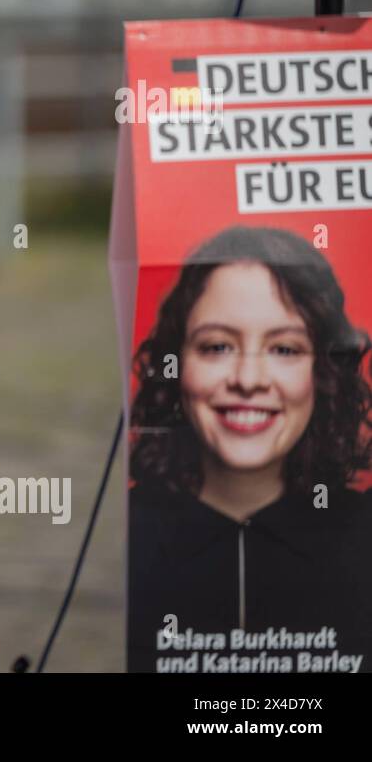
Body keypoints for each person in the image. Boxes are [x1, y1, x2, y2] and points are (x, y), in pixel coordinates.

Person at [126, 225, 372, 672]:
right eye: (217, 346)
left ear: (323, 369)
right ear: (176, 362)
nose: (249, 379)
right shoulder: (118, 539)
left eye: (284, 348)